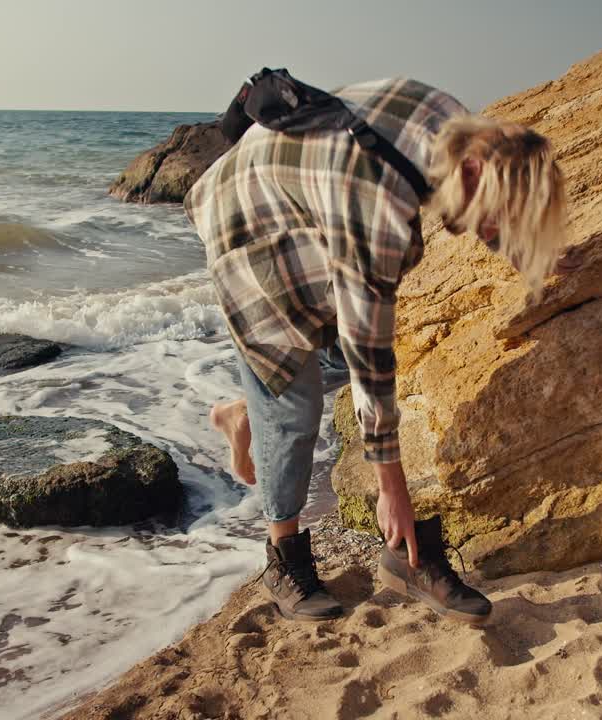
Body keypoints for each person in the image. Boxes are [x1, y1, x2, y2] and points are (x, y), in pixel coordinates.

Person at [185, 77, 570, 623]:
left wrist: (533, 256)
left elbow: (490, 201)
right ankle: (282, 553)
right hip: (243, 218)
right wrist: (393, 491)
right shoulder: (375, 206)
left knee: (316, 358)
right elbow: (369, 356)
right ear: (472, 171)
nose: (487, 230)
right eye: (494, 218)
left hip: (300, 189)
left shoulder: (460, 125)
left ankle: (250, 409)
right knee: (292, 403)